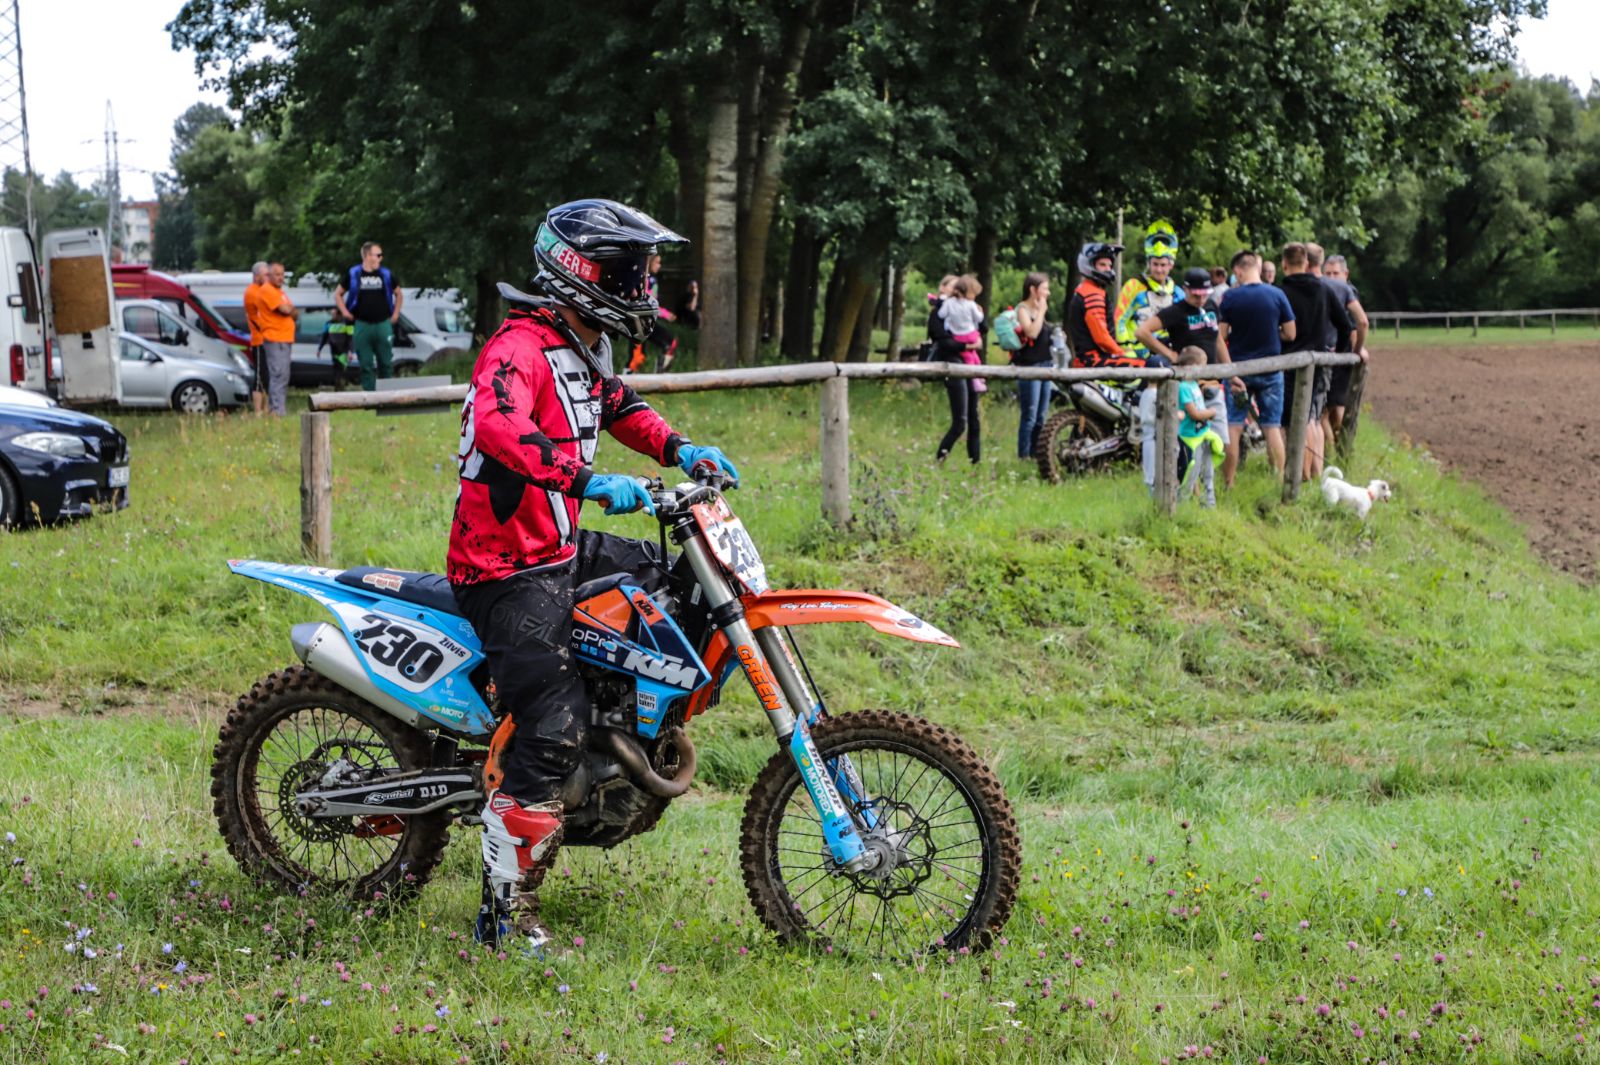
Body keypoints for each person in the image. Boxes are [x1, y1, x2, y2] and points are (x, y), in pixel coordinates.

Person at [447, 198, 739, 956]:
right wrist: (586, 480)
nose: (644, 286)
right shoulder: (517, 346)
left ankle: (625, 740)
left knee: (673, 589)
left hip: (559, 544)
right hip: (504, 565)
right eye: (631, 272)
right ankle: (503, 914)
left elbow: (616, 405)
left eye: (646, 272)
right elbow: (498, 427)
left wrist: (679, 449)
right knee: (553, 724)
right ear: (584, 273)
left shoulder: (584, 343)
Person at [1216, 249, 1295, 486]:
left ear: (1238, 271)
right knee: (1272, 426)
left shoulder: (1230, 297)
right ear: (1257, 269)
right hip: (1271, 369)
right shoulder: (1277, 294)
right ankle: (1278, 480)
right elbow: (1291, 333)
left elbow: (1221, 335)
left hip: (1239, 371)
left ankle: (1229, 482)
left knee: (1233, 425)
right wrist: (1272, 333)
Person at [1137, 267, 1227, 436]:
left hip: (1212, 380)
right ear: (1185, 289)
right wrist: (1169, 354)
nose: (1200, 299)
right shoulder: (1176, 311)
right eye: (1196, 295)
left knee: (1219, 438)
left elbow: (1218, 339)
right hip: (1189, 384)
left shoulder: (1211, 306)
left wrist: (1230, 370)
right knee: (1190, 436)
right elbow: (1142, 332)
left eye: (1204, 295)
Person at [336, 241, 404, 391]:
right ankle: (370, 395)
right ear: (367, 256)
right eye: (377, 255)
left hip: (382, 323)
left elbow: (399, 294)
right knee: (365, 364)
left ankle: (387, 396)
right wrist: (345, 312)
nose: (380, 258)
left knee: (385, 363)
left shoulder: (386, 274)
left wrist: (395, 314)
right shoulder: (354, 273)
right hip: (362, 323)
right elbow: (338, 293)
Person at [1320, 253, 1370, 446]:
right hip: (1331, 354)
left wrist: (1357, 350)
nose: (1332, 277)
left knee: (1328, 409)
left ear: (1346, 274)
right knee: (1331, 408)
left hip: (1341, 357)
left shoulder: (1348, 293)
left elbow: (1355, 326)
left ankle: (1337, 451)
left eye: (1336, 273)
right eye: (1328, 273)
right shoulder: (1326, 291)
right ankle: (1338, 450)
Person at [1066, 242, 1141, 369]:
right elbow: (1101, 337)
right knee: (1148, 366)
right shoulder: (1091, 294)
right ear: (1090, 265)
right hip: (1093, 360)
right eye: (1102, 265)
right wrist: (1120, 353)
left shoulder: (1087, 290)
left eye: (1110, 265)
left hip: (1091, 359)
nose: (1108, 269)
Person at [935, 275, 986, 463]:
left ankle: (975, 461)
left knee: (974, 418)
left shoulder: (958, 306)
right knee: (960, 421)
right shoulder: (943, 308)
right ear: (943, 288)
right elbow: (942, 339)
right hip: (953, 362)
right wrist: (968, 345)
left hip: (966, 357)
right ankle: (941, 456)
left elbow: (983, 326)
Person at [1114, 221, 1181, 356]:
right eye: (1155, 264)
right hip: (1136, 352)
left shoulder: (1178, 293)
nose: (1159, 269)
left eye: (1163, 265)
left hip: (1166, 352)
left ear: (1171, 265)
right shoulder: (1133, 286)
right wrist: (1126, 349)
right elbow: (1119, 320)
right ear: (1148, 263)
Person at [1174, 345, 1223, 507]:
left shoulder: (1194, 385)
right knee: (1190, 473)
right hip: (1189, 438)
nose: (1204, 369)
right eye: (1202, 365)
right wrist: (1211, 412)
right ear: (1192, 366)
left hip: (1202, 434)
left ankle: (1209, 503)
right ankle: (1182, 504)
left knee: (1207, 470)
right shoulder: (1183, 387)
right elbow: (1194, 413)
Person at [1012, 272, 1054, 459]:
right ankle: (1024, 456)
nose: (1048, 293)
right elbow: (1032, 333)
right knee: (1030, 414)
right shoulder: (1023, 309)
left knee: (1041, 415)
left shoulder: (1039, 310)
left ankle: (1036, 454)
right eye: (1045, 289)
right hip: (1029, 367)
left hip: (1046, 365)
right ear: (1033, 289)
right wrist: (1042, 311)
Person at [257, 262, 299, 416]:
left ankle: (277, 409)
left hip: (284, 338)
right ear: (269, 275)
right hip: (275, 338)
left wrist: (290, 310)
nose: (281, 278)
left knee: (283, 376)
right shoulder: (267, 290)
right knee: (278, 374)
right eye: (277, 274)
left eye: (282, 274)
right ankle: (277, 411)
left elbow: (294, 313)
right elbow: (285, 310)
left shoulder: (279, 292)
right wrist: (289, 309)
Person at [243, 261, 269, 414]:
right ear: (256, 275)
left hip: (268, 339)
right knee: (259, 377)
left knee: (268, 377)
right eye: (265, 275)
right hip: (259, 340)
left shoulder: (262, 290)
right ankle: (258, 411)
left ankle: (266, 409)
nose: (268, 277)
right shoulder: (252, 292)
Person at [316, 304, 356, 388]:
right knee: (336, 370)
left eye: (334, 314)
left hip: (343, 352)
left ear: (339, 314)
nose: (332, 316)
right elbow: (324, 337)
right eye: (332, 314)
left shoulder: (347, 324)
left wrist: (350, 351)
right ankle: (337, 387)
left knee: (342, 370)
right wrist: (319, 349)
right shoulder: (328, 324)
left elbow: (350, 338)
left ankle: (341, 386)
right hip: (334, 351)